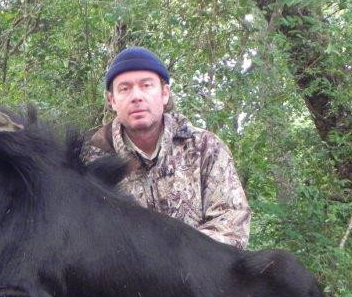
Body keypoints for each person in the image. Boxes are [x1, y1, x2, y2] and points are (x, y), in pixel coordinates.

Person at [83, 46, 252, 248]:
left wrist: (177, 257)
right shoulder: (90, 161)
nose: (136, 96)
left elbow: (232, 220)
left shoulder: (204, 147)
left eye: (146, 85)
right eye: (124, 88)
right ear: (112, 100)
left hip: (200, 274)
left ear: (164, 94)